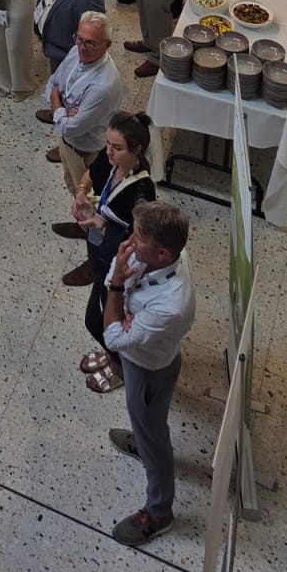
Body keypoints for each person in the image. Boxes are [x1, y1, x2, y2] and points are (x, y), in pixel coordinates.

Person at [104, 202, 197, 548]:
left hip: (149, 371)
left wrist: (118, 288)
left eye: (139, 235)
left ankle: (159, 513)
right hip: (138, 357)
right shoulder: (161, 256)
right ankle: (142, 441)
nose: (130, 240)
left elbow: (113, 338)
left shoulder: (171, 306)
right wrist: (120, 302)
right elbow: (112, 271)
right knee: (145, 424)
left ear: (162, 253)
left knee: (155, 437)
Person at [69, 111, 158, 366]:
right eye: (108, 144)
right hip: (101, 250)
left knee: (98, 321)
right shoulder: (112, 161)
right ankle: (111, 355)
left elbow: (139, 242)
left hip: (118, 267)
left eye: (117, 148)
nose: (108, 151)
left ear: (136, 150)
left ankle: (119, 366)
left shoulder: (142, 192)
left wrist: (102, 225)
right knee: (97, 317)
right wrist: (81, 193)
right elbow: (91, 173)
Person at [44, 8, 123, 208]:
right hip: (68, 142)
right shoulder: (75, 52)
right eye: (79, 38)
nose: (82, 47)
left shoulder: (102, 86)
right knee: (71, 183)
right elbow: (52, 83)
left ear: (107, 45)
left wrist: (56, 103)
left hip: (84, 151)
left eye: (90, 43)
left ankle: (86, 225)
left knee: (86, 197)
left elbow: (69, 128)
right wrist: (62, 110)